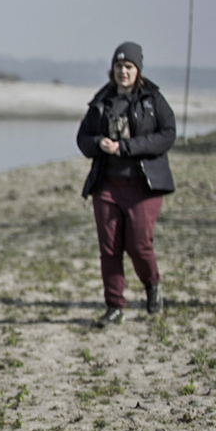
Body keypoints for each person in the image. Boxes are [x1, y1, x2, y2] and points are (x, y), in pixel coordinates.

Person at [76, 41, 174, 329]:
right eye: (118, 66)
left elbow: (168, 134)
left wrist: (127, 147)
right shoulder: (102, 100)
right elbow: (83, 139)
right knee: (110, 248)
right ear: (112, 70)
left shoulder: (153, 99)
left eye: (128, 66)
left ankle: (152, 285)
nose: (123, 71)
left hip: (144, 186)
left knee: (139, 245)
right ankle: (114, 306)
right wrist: (99, 144)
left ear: (138, 70)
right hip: (107, 185)